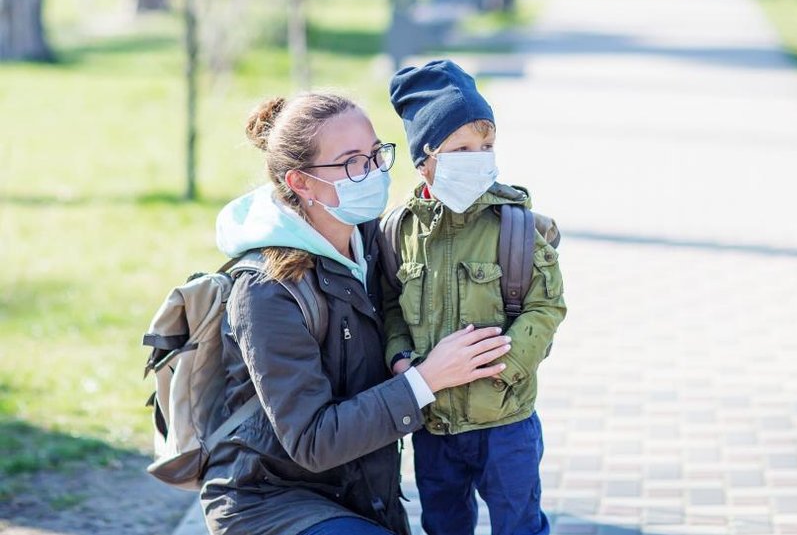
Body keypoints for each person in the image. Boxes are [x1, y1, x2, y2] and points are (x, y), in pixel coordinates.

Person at [201, 91, 513, 535]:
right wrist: (424, 380)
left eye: (374, 155)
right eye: (352, 163)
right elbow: (313, 439)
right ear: (301, 183)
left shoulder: (373, 240)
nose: (372, 173)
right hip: (273, 504)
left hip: (360, 494)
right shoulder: (267, 292)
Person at [384, 60, 567, 535]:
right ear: (424, 160)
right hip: (435, 424)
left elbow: (546, 305)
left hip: (504, 420)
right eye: (462, 148)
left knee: (520, 525)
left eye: (485, 146)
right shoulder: (399, 232)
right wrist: (400, 357)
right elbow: (389, 305)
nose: (478, 157)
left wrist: (508, 367)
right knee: (443, 524)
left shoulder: (515, 225)